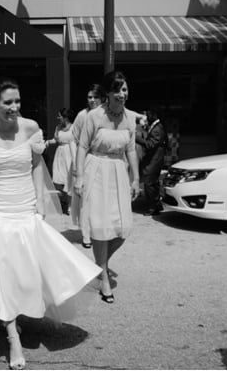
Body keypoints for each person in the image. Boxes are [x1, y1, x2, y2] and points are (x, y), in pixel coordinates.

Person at [0, 78, 101, 370]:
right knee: (1, 271)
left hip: (24, 204)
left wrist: (40, 201)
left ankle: (21, 315)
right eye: (8, 102)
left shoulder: (30, 128)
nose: (14, 107)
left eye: (17, 101)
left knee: (27, 268)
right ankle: (11, 337)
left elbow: (35, 166)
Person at [74, 70, 140, 304]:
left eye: (125, 89)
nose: (123, 94)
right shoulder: (94, 116)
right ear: (108, 93)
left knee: (123, 229)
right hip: (96, 169)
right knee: (100, 227)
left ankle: (96, 265)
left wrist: (135, 178)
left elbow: (131, 149)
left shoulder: (130, 118)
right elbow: (82, 147)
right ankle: (103, 276)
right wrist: (79, 177)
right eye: (118, 90)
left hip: (118, 171)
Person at [71, 84, 105, 248]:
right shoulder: (81, 115)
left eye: (94, 97)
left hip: (104, 162)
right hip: (86, 160)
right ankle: (86, 235)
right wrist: (78, 169)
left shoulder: (108, 115)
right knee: (85, 200)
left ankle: (98, 231)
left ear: (102, 98)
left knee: (100, 200)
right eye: (89, 97)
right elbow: (78, 142)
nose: (91, 100)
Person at [136, 109, 167, 216]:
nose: (145, 119)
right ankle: (157, 205)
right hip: (155, 159)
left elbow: (150, 144)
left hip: (154, 160)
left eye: (146, 116)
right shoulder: (156, 126)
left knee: (149, 183)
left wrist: (136, 138)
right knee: (154, 182)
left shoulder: (157, 129)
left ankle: (152, 208)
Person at [46, 108, 76, 214]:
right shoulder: (58, 127)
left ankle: (70, 206)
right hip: (60, 154)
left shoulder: (74, 127)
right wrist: (49, 142)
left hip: (70, 153)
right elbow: (56, 140)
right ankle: (62, 203)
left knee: (70, 180)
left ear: (65, 117)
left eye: (59, 116)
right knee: (60, 179)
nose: (58, 118)